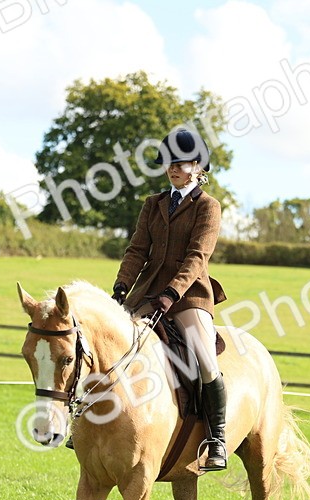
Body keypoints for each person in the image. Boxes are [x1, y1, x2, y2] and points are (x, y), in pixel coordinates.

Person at [113, 127, 228, 471]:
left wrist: (172, 293)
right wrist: (121, 287)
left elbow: (197, 257)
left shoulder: (208, 207)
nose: (173, 168)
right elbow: (137, 250)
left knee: (206, 360)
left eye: (180, 162)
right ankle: (90, 422)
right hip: (148, 292)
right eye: (168, 163)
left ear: (198, 166)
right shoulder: (154, 204)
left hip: (190, 296)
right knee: (108, 343)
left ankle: (216, 438)